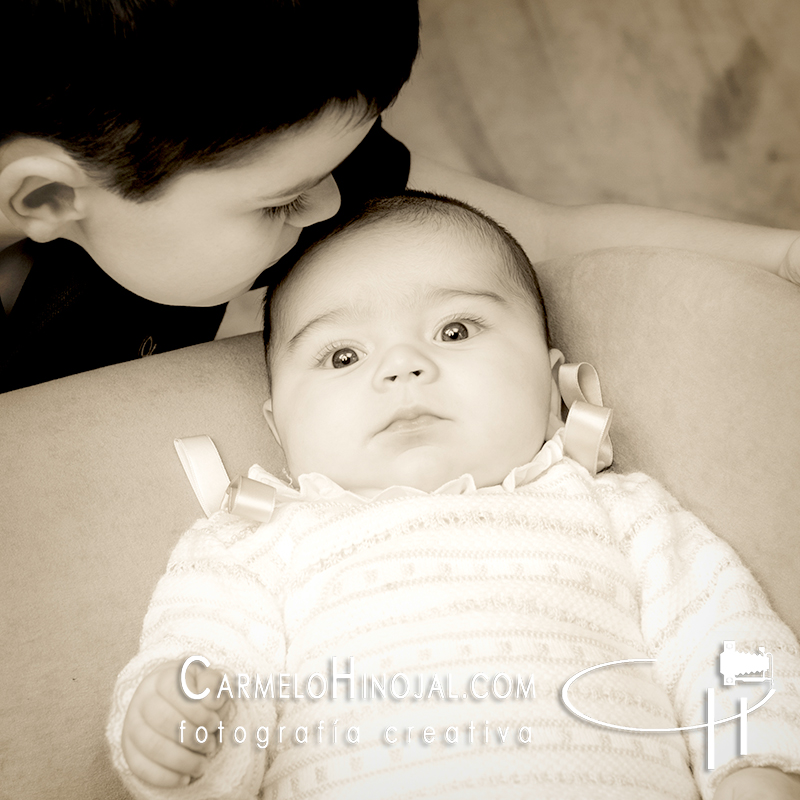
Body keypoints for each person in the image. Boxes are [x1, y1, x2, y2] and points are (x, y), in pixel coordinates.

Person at [107, 193, 800, 800]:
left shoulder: (620, 513)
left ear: (552, 381)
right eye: (342, 356)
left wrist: (752, 763)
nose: (404, 366)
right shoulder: (252, 544)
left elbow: (727, 636)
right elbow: (211, 662)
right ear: (277, 427)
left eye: (455, 330)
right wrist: (186, 730)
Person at [2, 0, 800, 394]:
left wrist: (783, 255)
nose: (329, 208)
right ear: (44, 198)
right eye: (280, 203)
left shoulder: (220, 155)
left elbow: (544, 238)